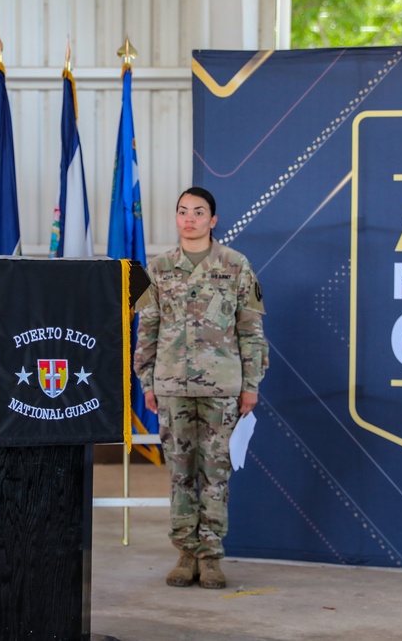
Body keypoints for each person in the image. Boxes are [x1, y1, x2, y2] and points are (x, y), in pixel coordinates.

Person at [134, 187, 268, 590]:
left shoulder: (236, 265)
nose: (189, 218)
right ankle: (185, 553)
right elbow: (148, 329)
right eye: (182, 211)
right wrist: (146, 381)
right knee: (179, 473)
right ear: (176, 219)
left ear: (213, 220)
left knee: (215, 474)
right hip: (172, 385)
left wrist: (251, 384)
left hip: (222, 387)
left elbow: (250, 329)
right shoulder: (157, 269)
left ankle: (210, 557)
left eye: (198, 212)